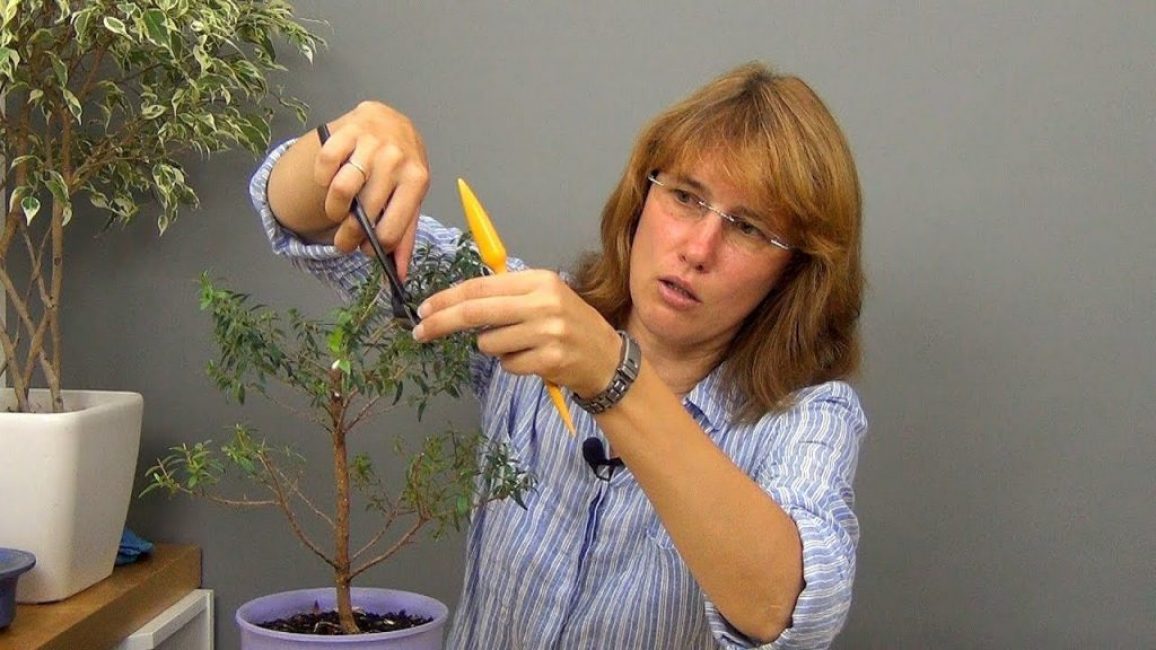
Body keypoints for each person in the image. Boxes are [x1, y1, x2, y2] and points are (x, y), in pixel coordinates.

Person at [251, 61, 866, 649]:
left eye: (750, 229)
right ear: (641, 197)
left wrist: (613, 374)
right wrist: (352, 140)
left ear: (795, 271)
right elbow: (304, 225)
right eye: (684, 196)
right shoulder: (534, 312)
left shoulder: (806, 418)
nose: (699, 247)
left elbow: (787, 613)